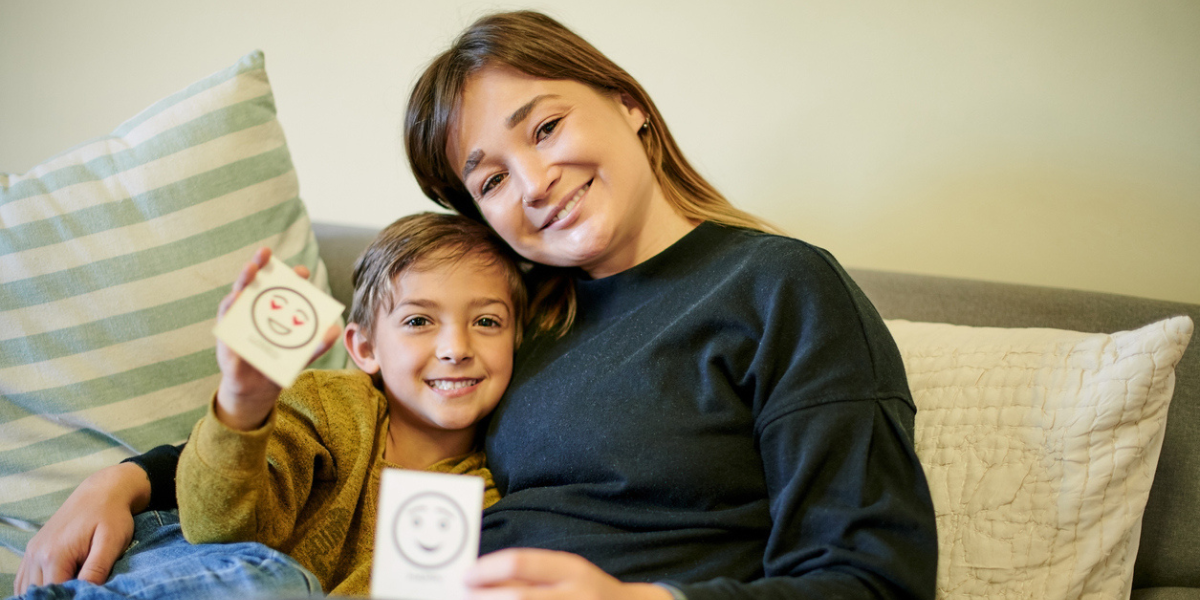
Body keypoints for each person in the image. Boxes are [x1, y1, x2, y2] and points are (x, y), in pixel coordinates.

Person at [17, 10, 939, 600]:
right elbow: (343, 429)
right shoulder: (517, 314)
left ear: (631, 109)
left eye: (546, 126)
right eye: (490, 177)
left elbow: (874, 578)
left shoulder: (781, 287)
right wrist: (132, 478)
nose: (535, 183)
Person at [13, 212, 522, 598]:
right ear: (364, 348)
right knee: (280, 582)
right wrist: (243, 403)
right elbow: (216, 527)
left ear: (518, 340)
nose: (456, 348)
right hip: (199, 562)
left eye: (487, 322)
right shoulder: (328, 406)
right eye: (418, 321)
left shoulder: (495, 499)